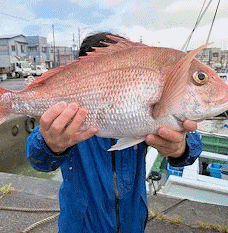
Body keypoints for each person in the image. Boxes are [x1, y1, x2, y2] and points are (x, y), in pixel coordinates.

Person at [26, 32, 203, 233]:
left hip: (133, 226)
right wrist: (50, 144)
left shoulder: (139, 113)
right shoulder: (67, 122)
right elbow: (37, 158)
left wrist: (181, 147)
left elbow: (191, 146)